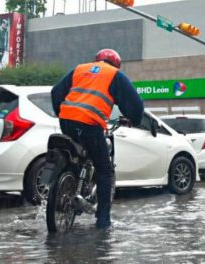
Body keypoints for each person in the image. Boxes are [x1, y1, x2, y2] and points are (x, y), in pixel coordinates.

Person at [51, 49, 143, 230]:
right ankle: (103, 221)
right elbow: (135, 104)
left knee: (77, 159)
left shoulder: (80, 69)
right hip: (90, 125)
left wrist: (61, 113)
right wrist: (134, 118)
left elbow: (56, 92)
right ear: (116, 64)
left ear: (97, 60)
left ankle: (72, 186)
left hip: (67, 121)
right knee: (104, 170)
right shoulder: (114, 75)